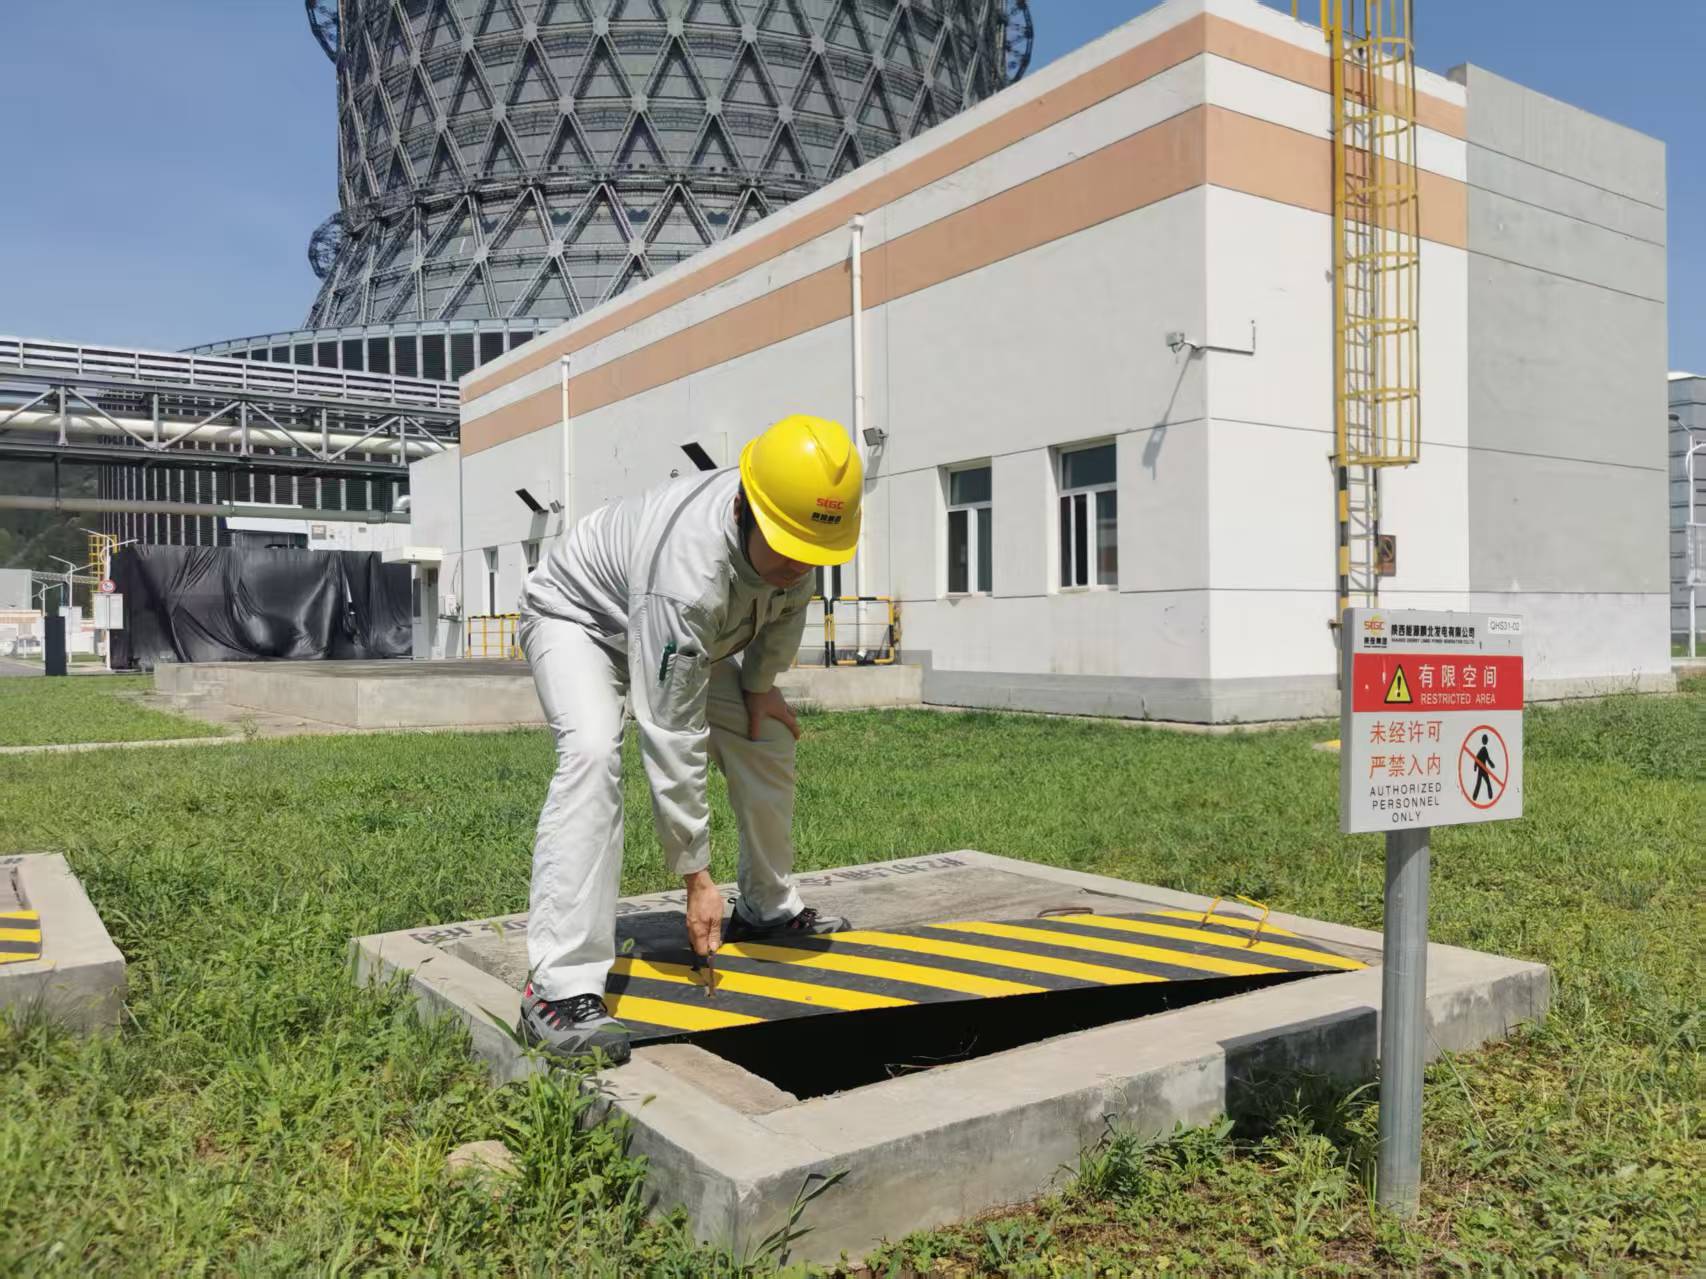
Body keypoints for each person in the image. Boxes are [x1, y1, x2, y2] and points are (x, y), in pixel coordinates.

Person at [514, 414, 863, 1063]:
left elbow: (786, 611)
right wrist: (695, 876)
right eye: (787, 548)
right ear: (744, 509)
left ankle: (767, 908)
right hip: (582, 621)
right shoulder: (688, 574)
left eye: (813, 552)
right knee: (591, 752)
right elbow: (673, 732)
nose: (799, 565)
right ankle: (557, 988)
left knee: (767, 734)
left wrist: (760, 684)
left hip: (675, 634)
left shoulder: (795, 533)